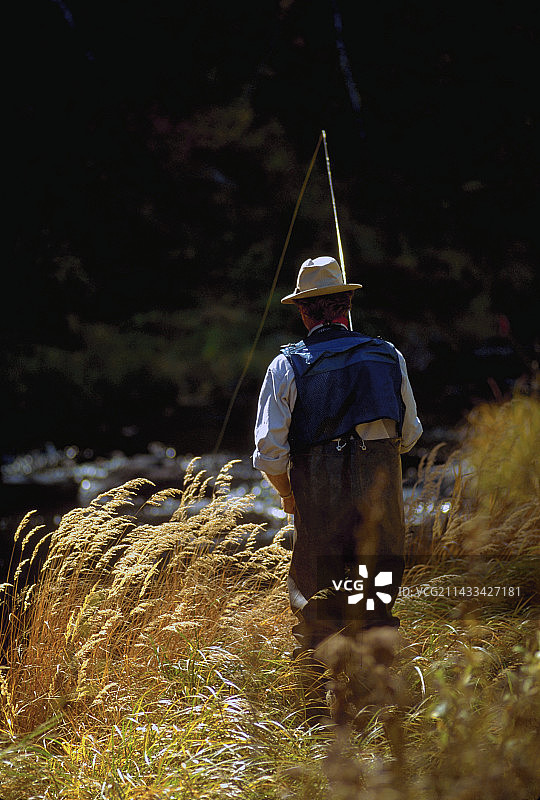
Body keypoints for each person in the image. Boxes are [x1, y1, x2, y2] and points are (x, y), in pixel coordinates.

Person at [253, 256, 423, 659]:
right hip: (380, 506)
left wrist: (287, 495)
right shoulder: (389, 356)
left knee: (318, 617)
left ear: (302, 311)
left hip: (319, 507)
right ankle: (379, 692)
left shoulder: (285, 366)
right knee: (376, 612)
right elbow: (410, 436)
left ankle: (316, 696)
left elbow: (270, 454)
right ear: (347, 305)